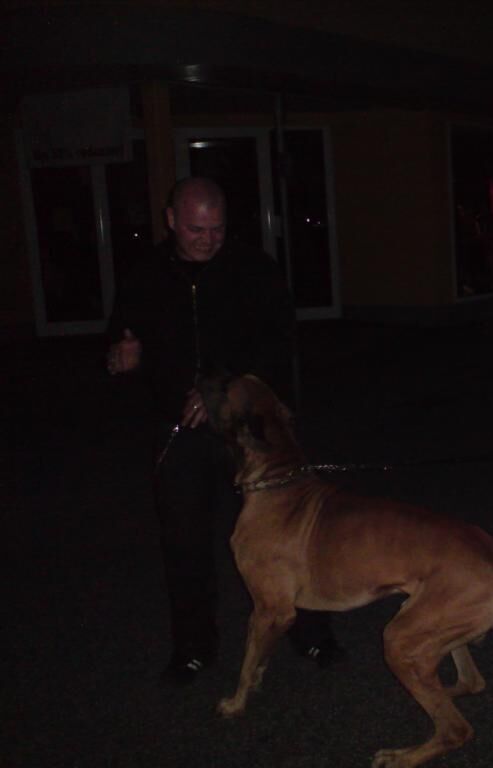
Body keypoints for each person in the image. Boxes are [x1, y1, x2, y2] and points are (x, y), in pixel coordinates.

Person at [107, 177, 339, 683]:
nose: (208, 240)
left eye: (217, 229)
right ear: (171, 219)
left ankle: (311, 632)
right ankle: (193, 646)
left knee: (287, 533)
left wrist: (221, 391)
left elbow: (279, 343)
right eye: (196, 229)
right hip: (180, 430)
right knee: (184, 541)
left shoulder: (254, 269)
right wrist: (123, 353)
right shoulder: (145, 274)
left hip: (249, 431)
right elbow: (123, 334)